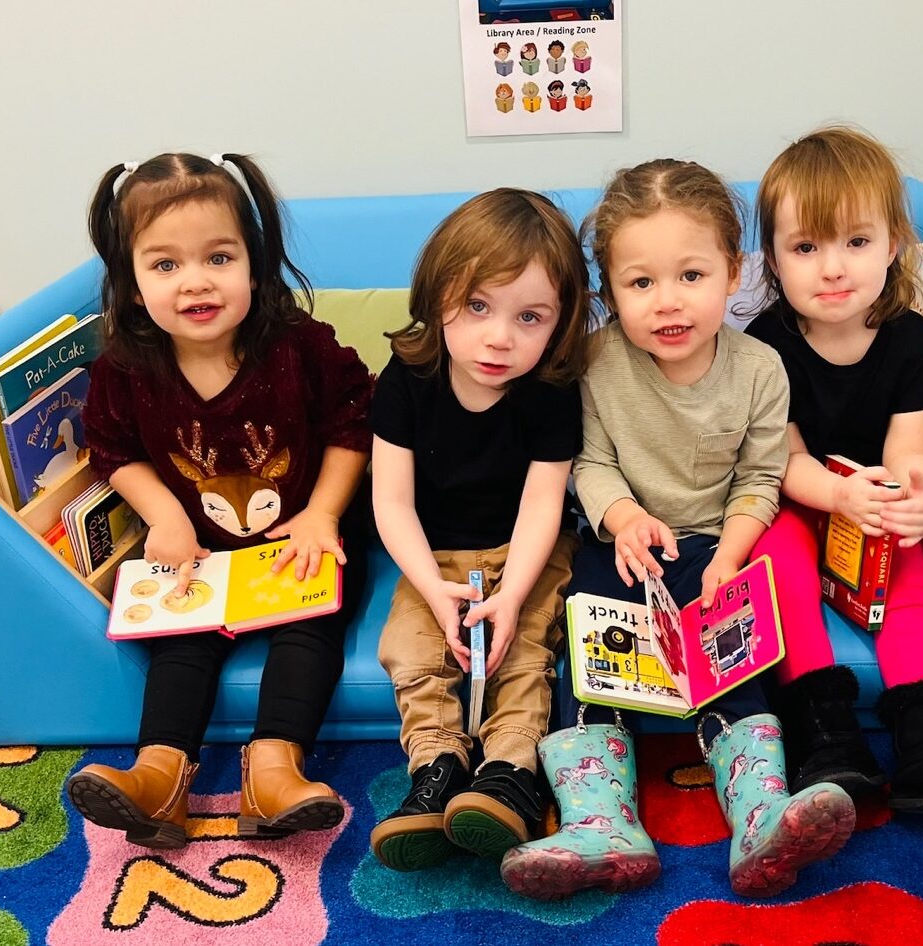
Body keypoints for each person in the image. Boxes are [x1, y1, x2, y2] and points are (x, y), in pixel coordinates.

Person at [500, 159, 856, 903]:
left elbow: (760, 480)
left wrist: (729, 557)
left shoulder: (761, 369)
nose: (668, 302)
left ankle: (761, 818)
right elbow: (588, 462)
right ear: (608, 294)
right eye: (640, 284)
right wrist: (624, 517)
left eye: (691, 276)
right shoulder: (596, 363)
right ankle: (600, 822)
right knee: (589, 654)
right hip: (620, 548)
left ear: (733, 273)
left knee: (736, 662)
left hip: (714, 548)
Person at [62, 152, 374, 847]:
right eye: (165, 265)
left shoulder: (299, 346)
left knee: (308, 629)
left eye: (219, 258)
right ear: (133, 285)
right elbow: (112, 451)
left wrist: (322, 514)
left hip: (296, 538)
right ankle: (157, 777)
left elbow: (355, 424)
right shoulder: (125, 367)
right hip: (195, 550)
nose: (196, 283)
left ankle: (273, 774)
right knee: (182, 641)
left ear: (255, 265)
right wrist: (166, 518)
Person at [745, 125, 923, 814]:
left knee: (910, 574)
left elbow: (908, 449)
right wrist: (837, 495)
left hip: (871, 498)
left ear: (894, 244)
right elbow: (783, 460)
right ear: (772, 259)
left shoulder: (911, 339)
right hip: (801, 494)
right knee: (780, 566)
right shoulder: (765, 345)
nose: (832, 269)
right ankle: (826, 736)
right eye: (806, 247)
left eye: (855, 243)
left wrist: (916, 492)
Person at [367, 188, 595, 871]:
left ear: (559, 325)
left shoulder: (551, 393)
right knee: (413, 650)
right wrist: (435, 591)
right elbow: (392, 503)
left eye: (530, 317)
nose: (500, 337)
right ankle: (435, 772)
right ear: (438, 297)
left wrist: (513, 593)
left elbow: (542, 507)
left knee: (522, 651)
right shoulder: (406, 380)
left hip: (526, 549)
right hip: (432, 554)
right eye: (477, 307)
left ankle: (510, 777)